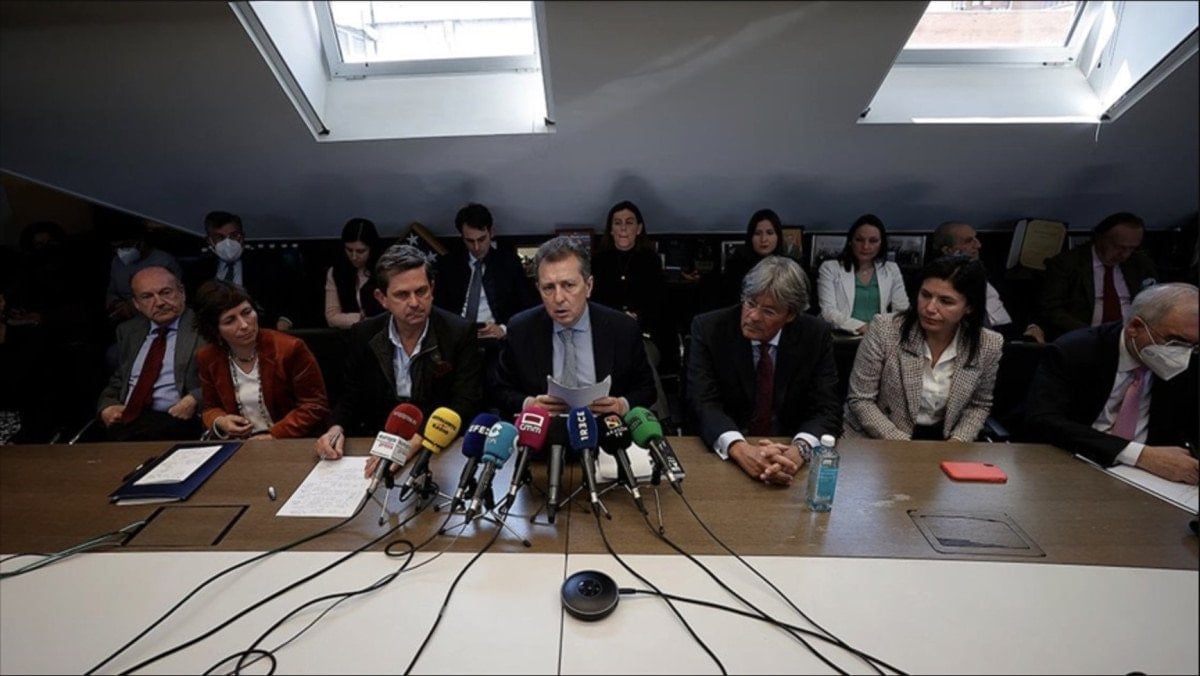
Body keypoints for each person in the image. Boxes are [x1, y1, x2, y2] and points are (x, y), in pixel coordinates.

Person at [314, 244, 482, 460]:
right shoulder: (364, 334)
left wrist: (416, 442)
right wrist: (336, 428)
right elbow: (350, 396)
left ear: (432, 289)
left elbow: (465, 402)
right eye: (402, 295)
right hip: (376, 440)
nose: (414, 303)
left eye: (421, 291)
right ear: (381, 298)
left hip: (437, 444)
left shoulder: (459, 332)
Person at [686, 256, 841, 486]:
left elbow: (827, 409)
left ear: (790, 315)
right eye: (750, 303)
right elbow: (702, 403)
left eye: (768, 311)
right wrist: (739, 449)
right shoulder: (710, 329)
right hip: (724, 456)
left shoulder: (815, 335)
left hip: (788, 454)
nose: (753, 316)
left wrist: (798, 452)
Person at [1025, 282, 1198, 485]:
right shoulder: (1077, 350)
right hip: (1075, 463)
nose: (1184, 353)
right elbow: (1044, 421)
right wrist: (1139, 454)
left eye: (1194, 345)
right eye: (1175, 341)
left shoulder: (1190, 363)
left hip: (1153, 479)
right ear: (1135, 327)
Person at [491, 236, 656, 419]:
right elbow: (499, 390)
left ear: (588, 286)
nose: (559, 298)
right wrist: (529, 404)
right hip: (544, 429)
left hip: (604, 429)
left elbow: (647, 389)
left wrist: (621, 405)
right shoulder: (521, 329)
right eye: (548, 288)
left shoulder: (622, 328)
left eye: (568, 285)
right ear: (538, 289)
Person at [844, 254, 1003, 441]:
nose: (930, 308)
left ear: (969, 307)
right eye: (925, 295)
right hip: (879, 437)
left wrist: (957, 442)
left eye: (946, 301)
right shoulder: (885, 329)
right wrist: (907, 448)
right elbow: (861, 399)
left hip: (944, 441)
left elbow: (978, 405)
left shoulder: (988, 344)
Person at [194, 280, 330, 440]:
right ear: (214, 330)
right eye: (230, 321)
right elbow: (210, 407)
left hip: (290, 441)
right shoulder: (207, 357)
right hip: (240, 444)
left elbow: (314, 405)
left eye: (247, 312)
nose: (244, 325)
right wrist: (220, 421)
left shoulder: (290, 348)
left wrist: (274, 435)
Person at [96, 266, 204, 441]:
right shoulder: (129, 331)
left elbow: (229, 377)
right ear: (136, 304)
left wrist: (195, 398)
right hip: (129, 423)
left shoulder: (205, 327)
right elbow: (118, 380)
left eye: (166, 292)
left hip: (179, 422)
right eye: (147, 297)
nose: (159, 302)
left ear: (182, 292)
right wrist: (107, 406)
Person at [591, 200, 679, 375]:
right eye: (618, 223)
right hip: (607, 333)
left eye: (629, 222)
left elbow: (659, 305)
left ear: (638, 229)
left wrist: (637, 318)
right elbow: (594, 303)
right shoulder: (598, 262)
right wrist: (619, 319)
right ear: (611, 229)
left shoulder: (651, 261)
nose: (623, 228)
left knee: (641, 363)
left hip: (644, 334)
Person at [1039, 211, 1158, 341]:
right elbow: (1052, 309)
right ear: (1100, 238)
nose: (1125, 254)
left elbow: (1152, 303)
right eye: (1119, 247)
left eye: (1132, 248)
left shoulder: (1140, 264)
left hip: (1131, 338)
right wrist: (1091, 334)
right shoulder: (1067, 264)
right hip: (1084, 338)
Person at [433, 203, 537, 343]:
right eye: (470, 241)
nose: (476, 247)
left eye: (481, 239)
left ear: (491, 233)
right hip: (457, 338)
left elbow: (525, 306)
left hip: (495, 338)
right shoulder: (449, 265)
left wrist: (503, 329)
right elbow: (439, 308)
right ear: (462, 238)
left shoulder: (509, 264)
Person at [186, 210, 303, 331]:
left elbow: (296, 296)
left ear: (242, 236)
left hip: (261, 330)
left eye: (233, 235)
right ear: (209, 241)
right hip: (212, 332)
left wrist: (285, 319)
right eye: (220, 238)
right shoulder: (197, 271)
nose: (228, 242)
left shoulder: (269, 264)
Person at [931, 220, 1044, 343]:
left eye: (976, 238)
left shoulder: (993, 271)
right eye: (968, 241)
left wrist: (1032, 326)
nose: (978, 245)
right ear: (948, 251)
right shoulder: (940, 284)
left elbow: (1023, 304)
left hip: (1014, 332)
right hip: (984, 338)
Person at [817, 213, 908, 335]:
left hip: (879, 336)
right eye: (859, 240)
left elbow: (902, 310)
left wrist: (885, 332)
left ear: (881, 244)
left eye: (873, 241)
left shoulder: (891, 269)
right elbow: (828, 312)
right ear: (850, 241)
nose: (865, 246)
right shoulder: (830, 268)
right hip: (840, 335)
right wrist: (865, 328)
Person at [104, 220, 184, 326]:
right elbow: (112, 290)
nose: (121, 251)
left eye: (125, 245)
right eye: (117, 247)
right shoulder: (117, 262)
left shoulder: (165, 262)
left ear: (140, 241)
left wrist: (132, 307)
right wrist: (115, 303)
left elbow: (171, 297)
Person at [720, 208, 789, 308]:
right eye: (757, 233)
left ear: (778, 236)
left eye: (770, 233)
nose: (763, 239)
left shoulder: (788, 266)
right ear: (750, 237)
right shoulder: (736, 265)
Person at [324, 217, 385, 329]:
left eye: (360, 251)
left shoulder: (386, 270)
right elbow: (332, 317)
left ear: (372, 249)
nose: (354, 257)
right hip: (349, 335)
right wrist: (361, 319)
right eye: (349, 250)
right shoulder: (336, 272)